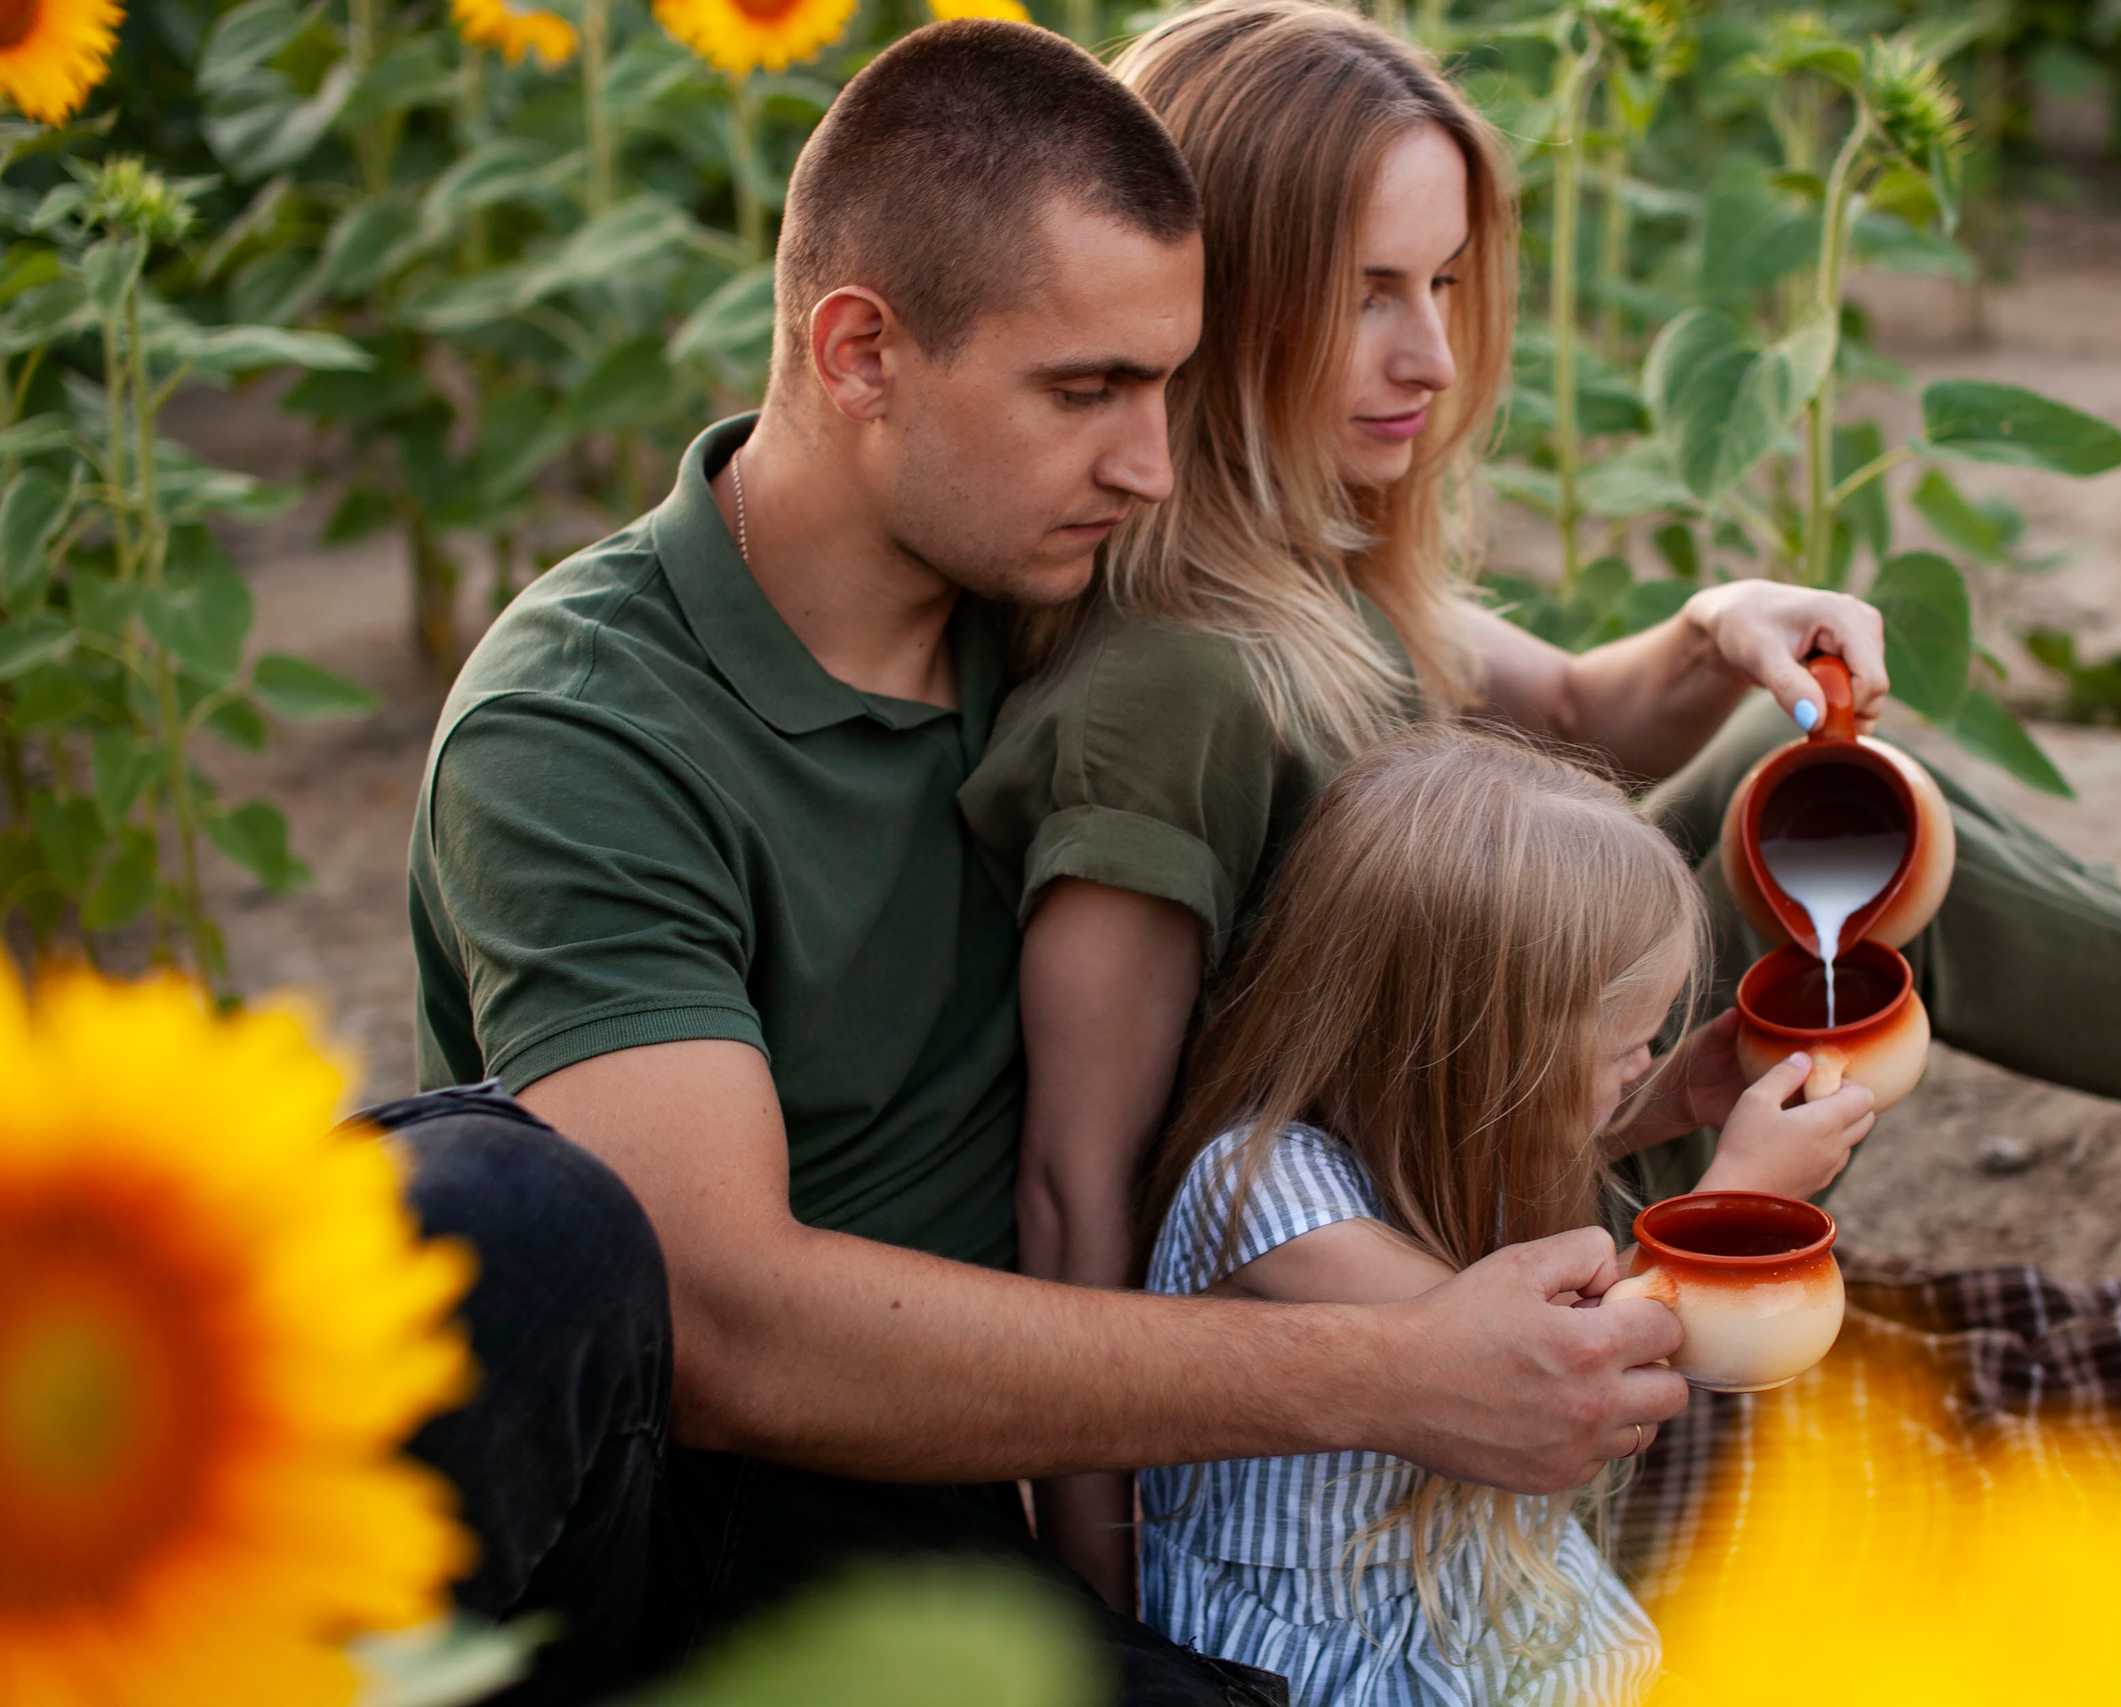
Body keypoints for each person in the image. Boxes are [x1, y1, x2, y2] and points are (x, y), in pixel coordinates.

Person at [953, 0, 2121, 1604]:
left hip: (1512, 1110)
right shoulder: (1174, 686)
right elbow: (1088, 1183)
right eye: (1362, 299)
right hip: (1412, 1265)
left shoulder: (1311, 552)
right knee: (1813, 815)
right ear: (1214, 300)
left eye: (1443, 284)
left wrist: (1717, 628)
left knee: (1838, 789)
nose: (1427, 352)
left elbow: (1572, 709)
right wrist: (1110, 1604)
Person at [391, 23, 1689, 1705]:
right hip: (653, 1521)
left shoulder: (1089, 618)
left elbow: (1491, 693)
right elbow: (723, 1329)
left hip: (939, 1529)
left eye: (1168, 382)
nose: (1150, 460)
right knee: (516, 1213)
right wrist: (1385, 1372)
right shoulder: (590, 721)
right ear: (859, 352)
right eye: (1084, 391)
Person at [1138, 726, 1865, 1707]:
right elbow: (1559, 1356)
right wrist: (1743, 1195)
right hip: (1316, 1667)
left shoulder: (1413, 1142)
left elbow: (1473, 1167)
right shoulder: (1262, 1194)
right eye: (1624, 1044)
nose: (1641, 1061)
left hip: (1451, 1595)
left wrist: (1661, 1105)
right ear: (1483, 1048)